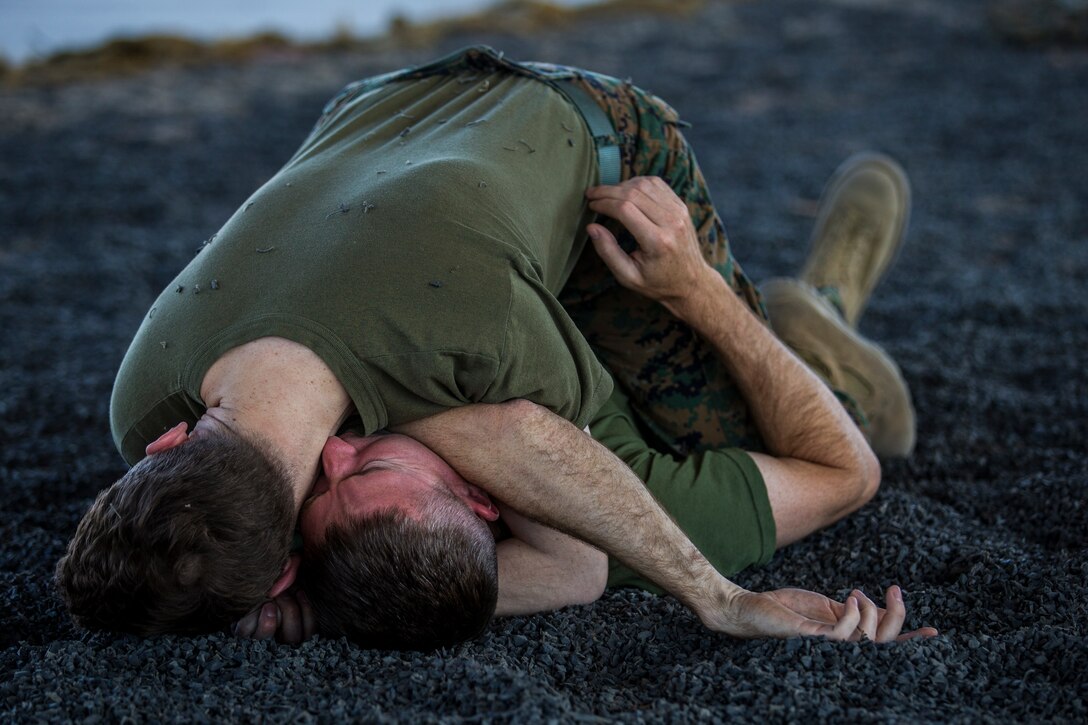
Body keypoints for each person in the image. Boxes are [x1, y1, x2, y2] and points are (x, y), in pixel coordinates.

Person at [56, 45, 923, 645]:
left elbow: (538, 447)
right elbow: (542, 505)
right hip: (377, 107)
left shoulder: (487, 357)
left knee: (755, 428)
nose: (344, 449)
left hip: (591, 142)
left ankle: (817, 314)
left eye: (330, 469)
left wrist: (695, 292)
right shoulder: (142, 396)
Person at [270, 152, 935, 649]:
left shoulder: (336, 500)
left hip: (526, 261)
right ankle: (827, 301)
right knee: (821, 422)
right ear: (481, 498)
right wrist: (697, 290)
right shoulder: (641, 524)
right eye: (369, 467)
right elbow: (846, 474)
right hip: (661, 357)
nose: (330, 448)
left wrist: (302, 596)